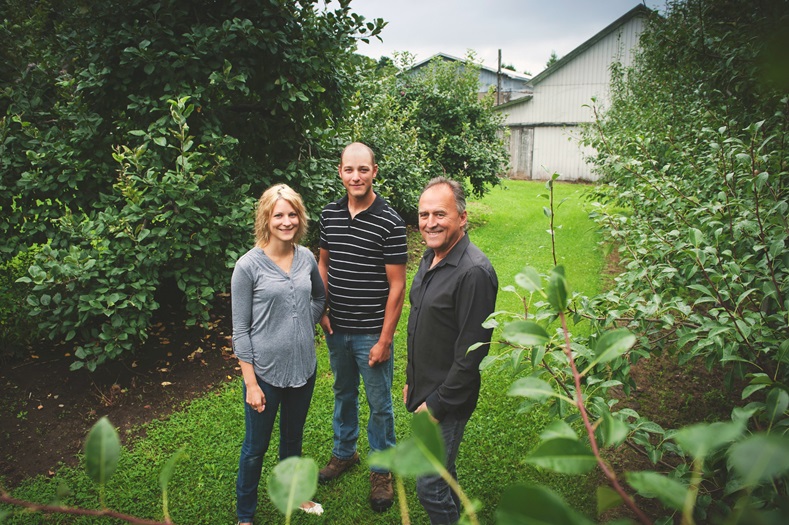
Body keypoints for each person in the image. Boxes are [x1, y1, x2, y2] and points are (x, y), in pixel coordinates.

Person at [317, 142, 407, 512]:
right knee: (343, 393)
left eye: (363, 169)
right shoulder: (328, 215)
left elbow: (398, 285)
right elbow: (322, 263)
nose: (356, 176)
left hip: (372, 331)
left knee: (380, 404)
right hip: (336, 329)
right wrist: (320, 306)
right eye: (349, 169)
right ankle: (344, 453)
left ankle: (382, 471)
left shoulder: (390, 220)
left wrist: (385, 339)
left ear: (374, 172)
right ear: (339, 171)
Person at [404, 177, 498, 525]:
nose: (430, 223)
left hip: (447, 399)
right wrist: (413, 383)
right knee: (443, 471)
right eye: (424, 214)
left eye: (440, 214)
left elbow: (472, 353)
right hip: (424, 389)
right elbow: (424, 326)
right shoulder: (430, 257)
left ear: (462, 217)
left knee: (429, 485)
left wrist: (436, 404)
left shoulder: (473, 272)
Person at [232, 184, 326, 524]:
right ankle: (245, 515)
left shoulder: (305, 258)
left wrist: (304, 323)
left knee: (292, 438)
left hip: (304, 368)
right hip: (264, 375)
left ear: (299, 218)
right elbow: (240, 331)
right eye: (279, 215)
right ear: (266, 219)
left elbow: (318, 297)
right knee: (255, 448)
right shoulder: (248, 267)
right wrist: (251, 383)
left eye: (292, 214)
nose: (286, 222)